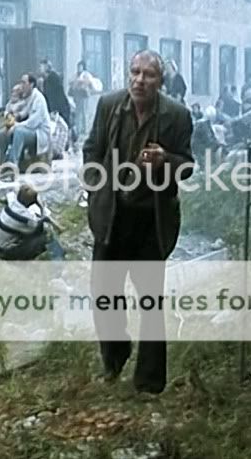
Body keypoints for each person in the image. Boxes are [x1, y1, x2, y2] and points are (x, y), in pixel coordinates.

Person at [82, 49, 194, 394]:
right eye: (135, 72)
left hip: (150, 221)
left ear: (161, 81)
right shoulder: (109, 106)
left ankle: (149, 383)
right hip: (113, 218)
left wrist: (165, 160)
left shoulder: (177, 115)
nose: (140, 80)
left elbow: (187, 166)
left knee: (150, 302)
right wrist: (96, 186)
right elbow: (92, 150)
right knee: (104, 294)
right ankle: (114, 358)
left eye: (149, 75)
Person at [0, 184, 63, 260]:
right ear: (31, 203)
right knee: (47, 234)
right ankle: (58, 259)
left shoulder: (12, 202)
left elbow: (10, 193)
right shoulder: (25, 218)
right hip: (7, 252)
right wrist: (40, 207)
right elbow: (37, 228)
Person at [0, 73, 51, 167]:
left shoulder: (39, 99)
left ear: (31, 84)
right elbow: (23, 112)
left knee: (19, 132)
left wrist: (16, 126)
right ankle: (3, 163)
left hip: (39, 132)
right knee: (1, 133)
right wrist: (13, 117)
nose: (21, 85)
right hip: (29, 129)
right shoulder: (29, 97)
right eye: (21, 82)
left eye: (24, 83)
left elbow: (33, 122)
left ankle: (13, 163)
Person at [39, 59, 71, 133]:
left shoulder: (53, 77)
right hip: (54, 109)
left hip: (60, 109)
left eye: (41, 67)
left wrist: (53, 110)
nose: (39, 69)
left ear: (46, 67)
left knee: (62, 129)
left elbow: (55, 95)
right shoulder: (45, 80)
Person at [68, 60, 96, 139]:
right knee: (77, 113)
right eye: (78, 67)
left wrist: (83, 82)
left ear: (83, 67)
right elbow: (70, 81)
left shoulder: (86, 75)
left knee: (84, 113)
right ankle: (78, 129)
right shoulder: (75, 75)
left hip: (84, 96)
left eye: (81, 67)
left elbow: (91, 83)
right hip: (77, 96)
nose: (79, 68)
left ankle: (85, 129)